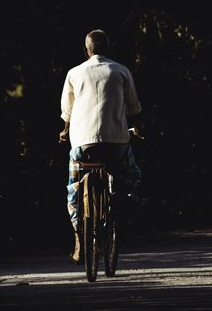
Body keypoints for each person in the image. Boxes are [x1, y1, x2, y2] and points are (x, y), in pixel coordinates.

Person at [58, 29, 142, 264]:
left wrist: (65, 130)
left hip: (82, 146)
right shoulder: (121, 70)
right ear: (109, 48)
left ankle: (78, 237)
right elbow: (134, 108)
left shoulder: (74, 73)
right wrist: (136, 128)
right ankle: (122, 207)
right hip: (116, 143)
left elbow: (67, 112)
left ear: (86, 50)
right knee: (133, 175)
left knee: (74, 188)